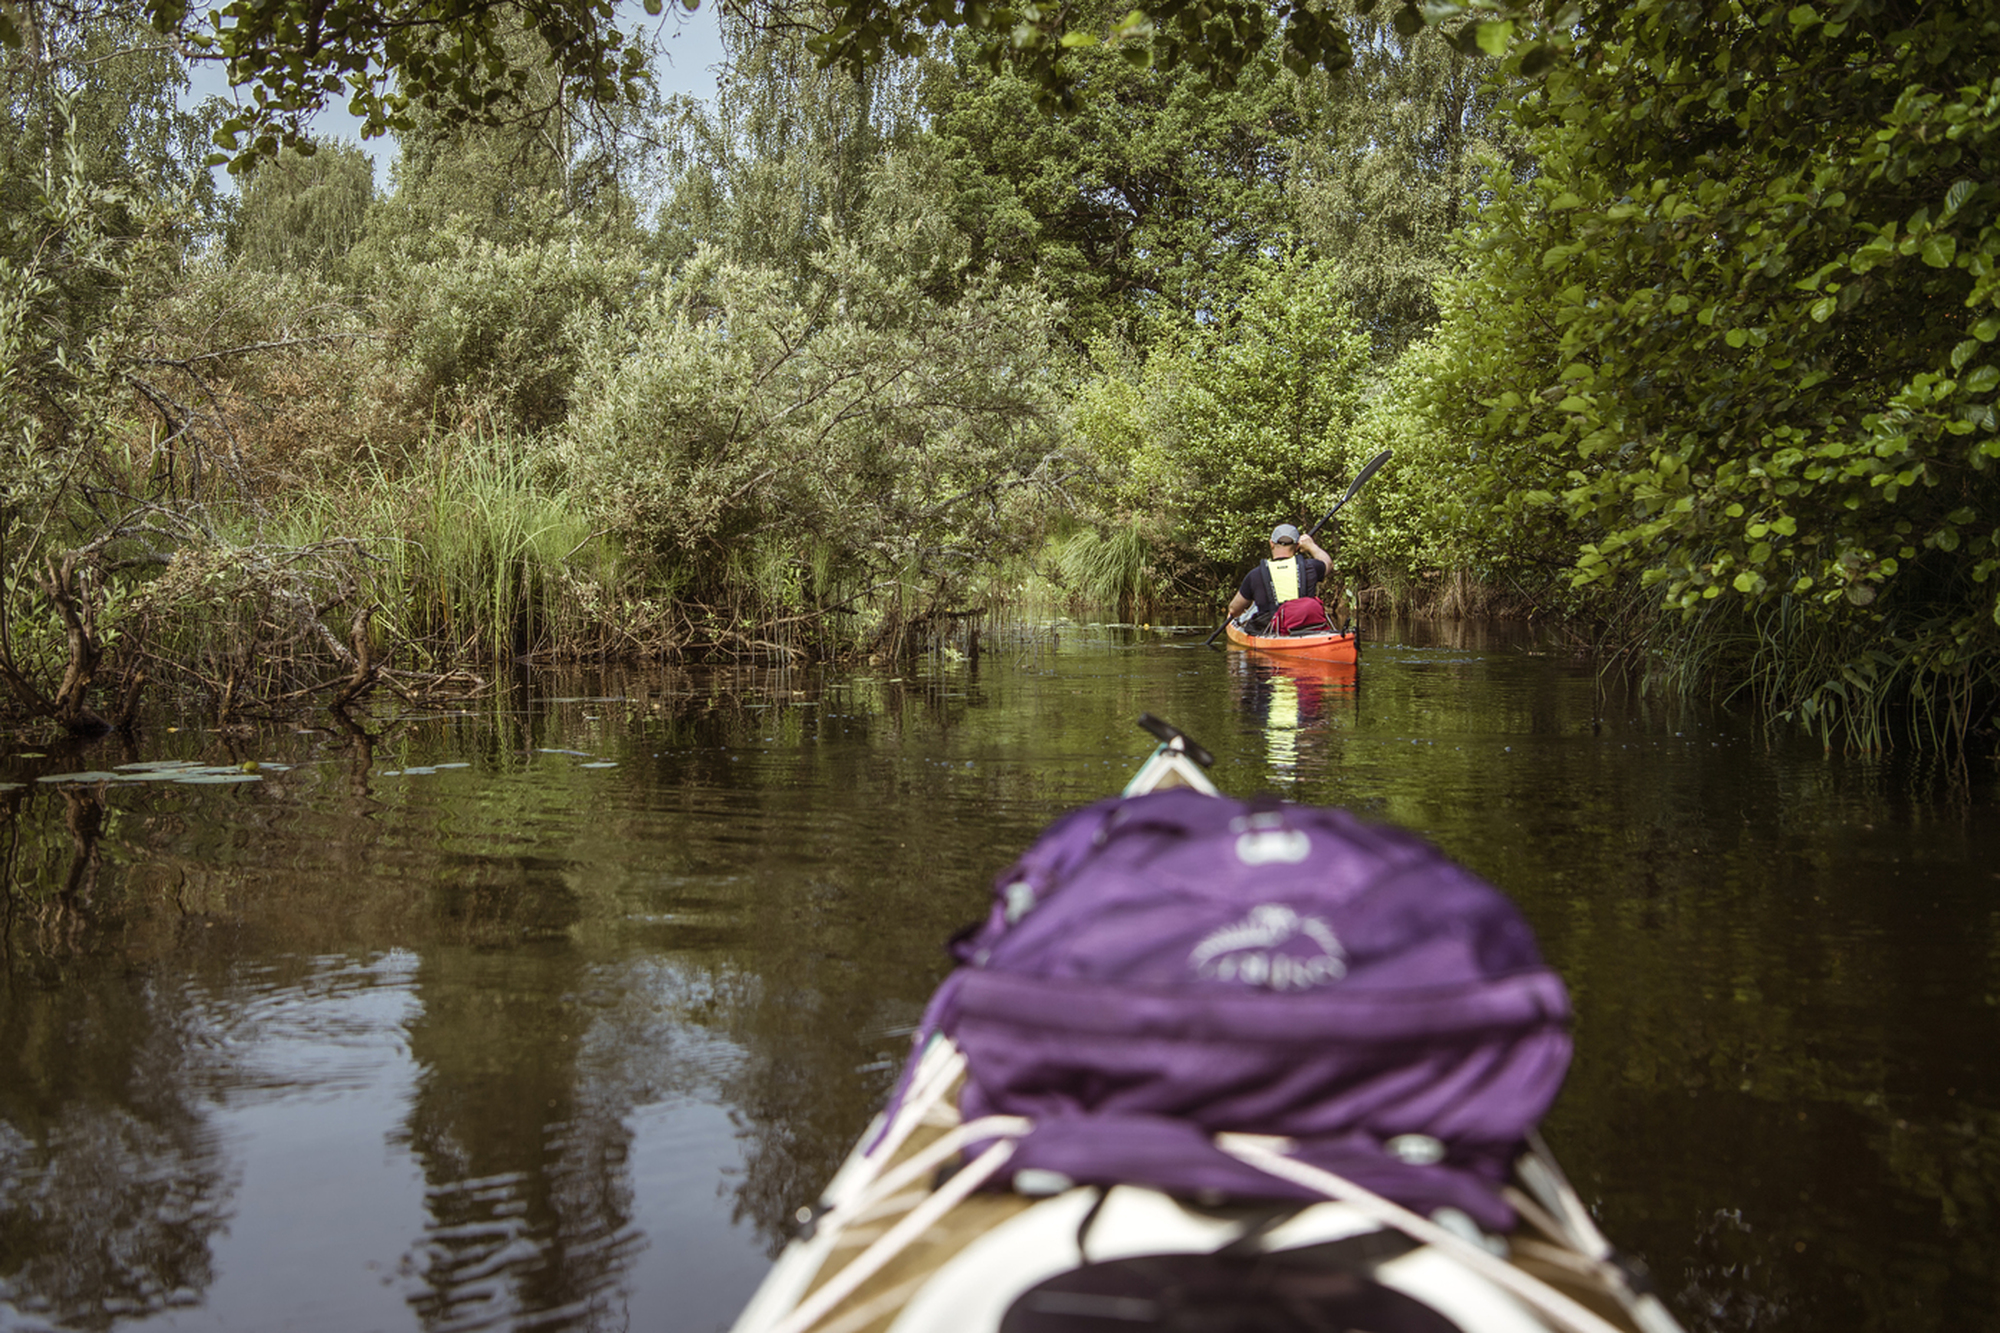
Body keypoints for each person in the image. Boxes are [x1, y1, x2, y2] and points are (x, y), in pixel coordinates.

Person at [1226, 523, 1332, 634]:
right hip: (1308, 628)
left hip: (1271, 631)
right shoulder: (1311, 566)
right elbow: (1328, 563)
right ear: (1297, 547)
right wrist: (1311, 545)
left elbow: (1234, 609)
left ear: (1271, 544)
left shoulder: (1255, 574)